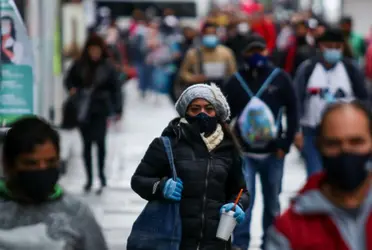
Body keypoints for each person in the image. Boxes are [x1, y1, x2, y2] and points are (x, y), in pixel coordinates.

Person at [131, 83, 250, 250]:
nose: (202, 114)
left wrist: (237, 205)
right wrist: (161, 187)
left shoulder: (229, 149)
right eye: (195, 109)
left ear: (217, 112)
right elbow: (138, 180)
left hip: (216, 242)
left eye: (209, 109)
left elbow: (241, 191)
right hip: (175, 239)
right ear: (185, 112)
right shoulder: (167, 144)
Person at [223, 34, 298, 250]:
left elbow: (293, 111)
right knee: (244, 203)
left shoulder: (280, 78)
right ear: (244, 54)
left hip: (274, 154)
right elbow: (223, 116)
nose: (256, 55)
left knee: (273, 203)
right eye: (251, 51)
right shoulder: (236, 81)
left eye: (260, 50)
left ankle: (270, 244)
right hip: (244, 154)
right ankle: (240, 244)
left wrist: (286, 143)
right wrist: (229, 145)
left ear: (267, 52)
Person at [266, 100, 372, 250]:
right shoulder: (289, 231)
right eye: (334, 144)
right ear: (319, 146)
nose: (345, 151)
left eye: (356, 142)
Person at [0, 116, 107, 249]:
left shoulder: (76, 213)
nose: (42, 169)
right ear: (9, 165)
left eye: (50, 162)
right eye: (31, 163)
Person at [294, 28, 368, 178]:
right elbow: (296, 101)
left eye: (337, 47)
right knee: (315, 174)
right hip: (312, 131)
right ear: (321, 46)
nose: (333, 50)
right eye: (329, 46)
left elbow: (365, 99)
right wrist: (297, 131)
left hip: (344, 131)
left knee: (343, 174)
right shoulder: (308, 68)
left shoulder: (351, 69)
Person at [64, 34, 123, 193]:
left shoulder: (107, 67)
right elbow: (69, 80)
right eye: (92, 50)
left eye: (97, 50)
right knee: (87, 144)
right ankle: (89, 178)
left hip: (100, 109)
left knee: (101, 143)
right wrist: (73, 90)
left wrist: (118, 109)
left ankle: (101, 176)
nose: (94, 53)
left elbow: (116, 88)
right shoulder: (79, 65)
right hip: (84, 110)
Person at [179, 23, 237, 88]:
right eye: (208, 34)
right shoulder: (193, 53)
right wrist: (193, 78)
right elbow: (183, 73)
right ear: (203, 35)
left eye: (213, 33)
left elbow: (233, 73)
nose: (210, 36)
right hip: (201, 88)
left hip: (222, 88)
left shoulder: (226, 52)